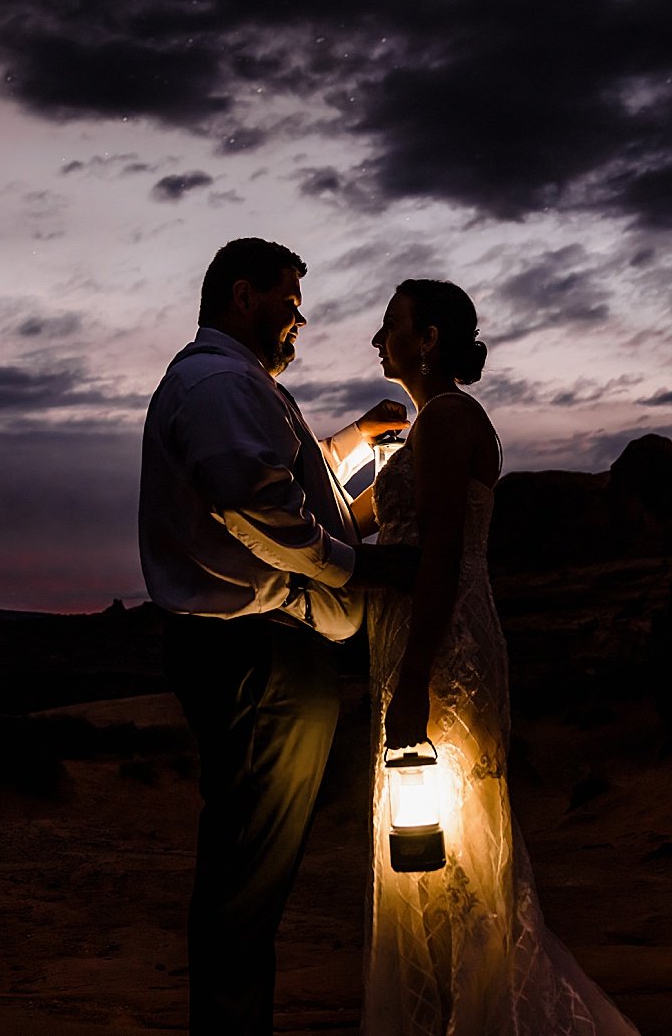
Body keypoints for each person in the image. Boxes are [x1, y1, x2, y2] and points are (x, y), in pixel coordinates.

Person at [139, 237, 413, 1036]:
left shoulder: (230, 385)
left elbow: (277, 476)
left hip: (257, 652)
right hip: (258, 655)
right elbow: (249, 499)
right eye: (289, 300)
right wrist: (351, 568)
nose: (300, 317)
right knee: (246, 879)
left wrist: (354, 444)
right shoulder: (221, 381)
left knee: (249, 872)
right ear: (242, 295)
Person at [363, 279, 640, 1036]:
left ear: (429, 338)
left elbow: (443, 552)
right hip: (425, 635)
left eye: (390, 324)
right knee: (429, 850)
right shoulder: (427, 424)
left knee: (453, 846)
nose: (375, 338)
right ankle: (457, 1011)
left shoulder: (451, 420)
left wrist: (415, 676)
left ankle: (483, 1017)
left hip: (446, 643)